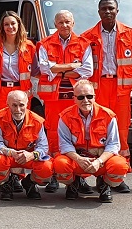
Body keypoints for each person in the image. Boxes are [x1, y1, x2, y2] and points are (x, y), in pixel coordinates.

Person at [83, 0, 132, 193]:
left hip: (121, 89)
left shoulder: (131, 34)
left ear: (117, 11)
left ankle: (118, 176)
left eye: (111, 8)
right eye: (104, 9)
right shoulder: (87, 36)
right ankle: (100, 176)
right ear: (98, 12)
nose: (108, 12)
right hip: (98, 89)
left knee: (121, 131)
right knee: (98, 132)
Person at [37, 10, 93, 193]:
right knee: (53, 135)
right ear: (55, 24)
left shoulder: (83, 43)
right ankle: (54, 174)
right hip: (54, 99)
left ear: (73, 23)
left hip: (75, 99)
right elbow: (44, 68)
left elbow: (87, 70)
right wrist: (72, 67)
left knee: (78, 136)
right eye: (60, 22)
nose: (64, 25)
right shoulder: (45, 44)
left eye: (67, 21)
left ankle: (79, 177)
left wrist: (57, 70)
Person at [53, 79, 129, 203]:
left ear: (94, 96)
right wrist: (79, 159)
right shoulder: (65, 117)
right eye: (81, 97)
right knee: (59, 164)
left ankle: (105, 184)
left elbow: (113, 145)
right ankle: (73, 183)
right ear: (74, 98)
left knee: (119, 166)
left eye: (89, 96)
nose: (85, 100)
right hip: (78, 160)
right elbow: (64, 144)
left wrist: (99, 161)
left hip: (101, 160)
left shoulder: (108, 116)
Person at [0, 90, 53, 201]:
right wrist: (11, 152)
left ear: (27, 104)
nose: (18, 110)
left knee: (47, 166)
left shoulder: (37, 121)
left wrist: (32, 155)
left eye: (21, 105)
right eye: (14, 105)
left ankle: (29, 182)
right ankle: (6, 184)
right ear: (7, 104)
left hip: (28, 157)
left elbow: (43, 147)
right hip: (9, 156)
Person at [0, 11, 37, 120]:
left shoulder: (29, 47)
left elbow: (37, 71)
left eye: (13, 23)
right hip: (0, 92)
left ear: (18, 24)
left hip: (21, 91)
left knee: (21, 122)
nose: (10, 27)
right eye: (6, 24)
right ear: (2, 27)